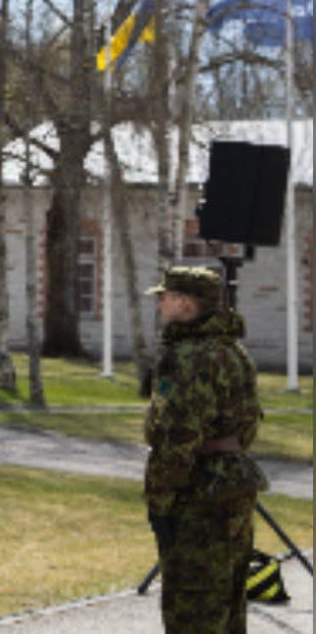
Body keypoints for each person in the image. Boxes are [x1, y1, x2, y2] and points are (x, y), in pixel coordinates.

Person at [144, 264, 266, 633]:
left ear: (184, 304)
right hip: (235, 486)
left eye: (165, 297)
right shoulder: (234, 352)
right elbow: (248, 427)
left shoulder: (186, 357)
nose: (161, 304)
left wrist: (159, 501)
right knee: (228, 604)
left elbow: (177, 437)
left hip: (195, 495)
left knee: (192, 610)